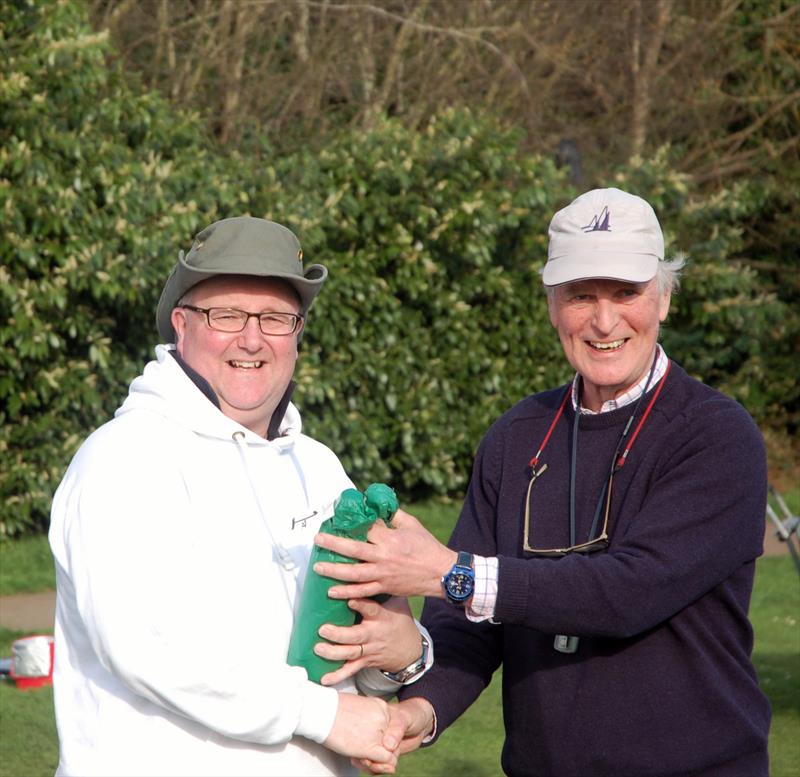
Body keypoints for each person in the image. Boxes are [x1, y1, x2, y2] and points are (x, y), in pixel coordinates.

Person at [313, 188, 772, 776]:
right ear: (552, 306)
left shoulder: (715, 436)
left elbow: (627, 592)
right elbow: (470, 625)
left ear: (663, 299)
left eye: (626, 293)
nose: (604, 322)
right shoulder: (516, 436)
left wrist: (447, 573)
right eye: (581, 296)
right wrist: (419, 714)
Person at [48, 216, 433, 777]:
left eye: (276, 318)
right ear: (182, 325)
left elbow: (348, 643)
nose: (252, 339)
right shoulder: (123, 458)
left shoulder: (318, 465)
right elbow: (150, 648)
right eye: (227, 315)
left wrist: (399, 657)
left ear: (298, 333)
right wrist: (323, 715)